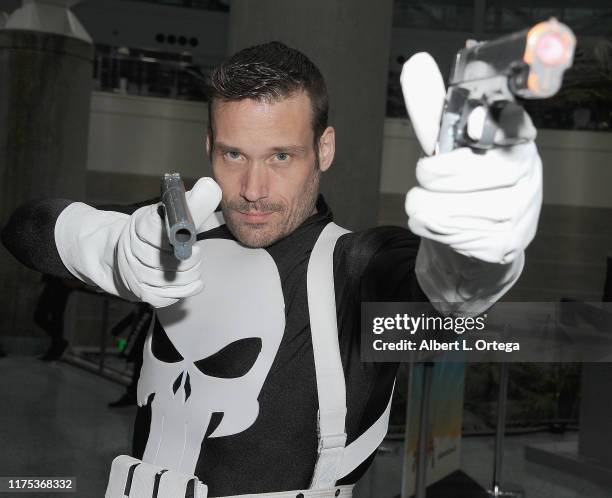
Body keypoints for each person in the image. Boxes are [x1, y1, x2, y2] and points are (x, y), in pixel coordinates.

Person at [1, 42, 542, 498]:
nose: (253, 190)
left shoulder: (355, 271)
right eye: (234, 155)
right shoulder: (176, 229)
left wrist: (477, 254)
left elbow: (445, 297)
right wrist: (110, 246)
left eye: (281, 156)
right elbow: (25, 227)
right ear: (208, 146)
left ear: (323, 149)